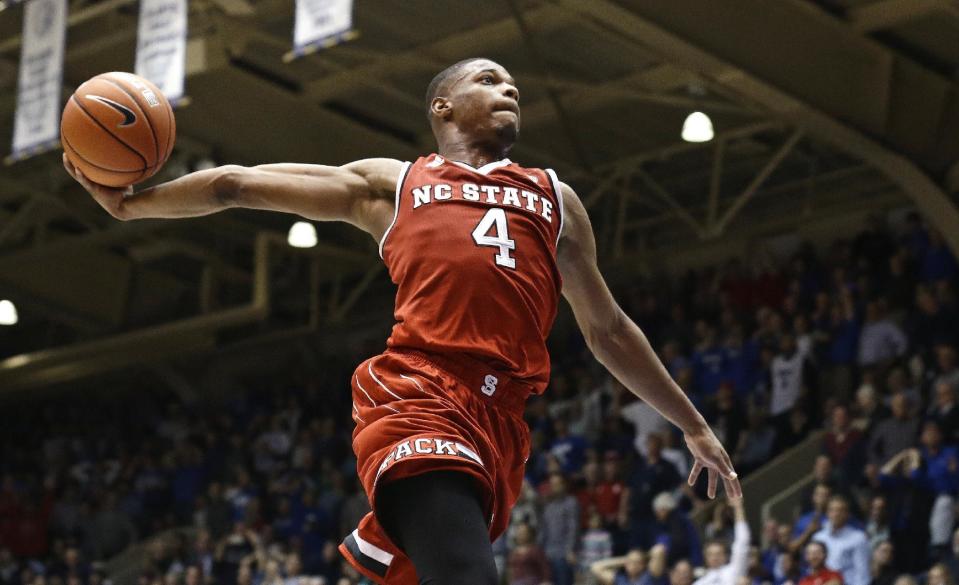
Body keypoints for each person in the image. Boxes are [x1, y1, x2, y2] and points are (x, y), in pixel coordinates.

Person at [64, 57, 741, 585]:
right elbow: (236, 183)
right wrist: (134, 206)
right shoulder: (397, 183)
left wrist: (693, 423)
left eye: (511, 84)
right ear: (443, 106)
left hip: (499, 422)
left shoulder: (553, 198)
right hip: (417, 396)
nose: (508, 89)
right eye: (488, 80)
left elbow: (608, 330)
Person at [812, 496, 870, 585]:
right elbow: (812, 568)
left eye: (840, 510)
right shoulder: (818, 537)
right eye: (832, 510)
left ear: (847, 514)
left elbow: (862, 572)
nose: (836, 514)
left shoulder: (858, 538)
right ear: (827, 513)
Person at [693, 498, 751, 585]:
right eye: (711, 554)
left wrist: (738, 508)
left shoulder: (733, 570)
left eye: (718, 554)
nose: (715, 558)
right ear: (705, 557)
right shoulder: (700, 582)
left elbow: (742, 543)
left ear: (725, 556)